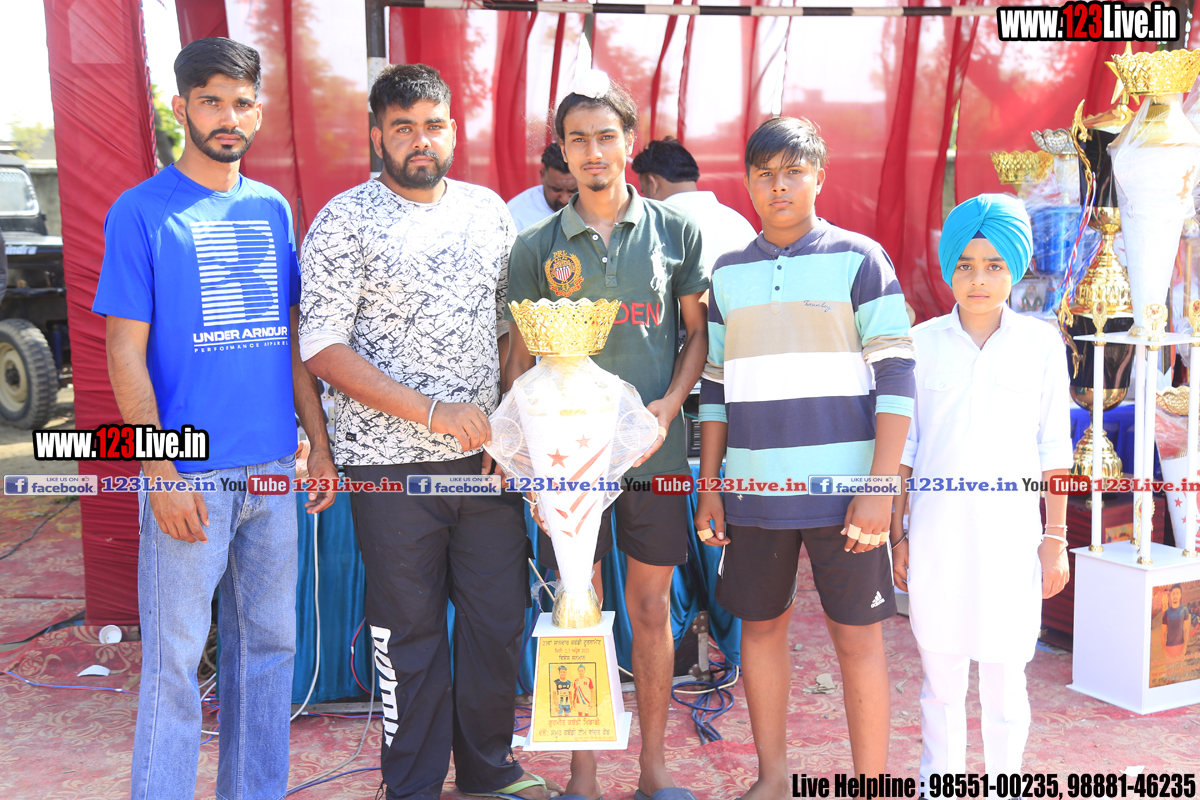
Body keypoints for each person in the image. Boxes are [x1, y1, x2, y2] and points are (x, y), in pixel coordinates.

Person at [298, 64, 556, 800]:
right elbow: (321, 346)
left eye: (433, 125)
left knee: (497, 622)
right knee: (404, 632)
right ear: (376, 135)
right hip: (389, 469)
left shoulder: (487, 212)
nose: (420, 140)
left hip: (484, 466)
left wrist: (512, 429)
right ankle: (410, 784)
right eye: (403, 127)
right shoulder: (343, 220)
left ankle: (488, 771)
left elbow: (513, 330)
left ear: (453, 131)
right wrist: (433, 411)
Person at [93, 37, 336, 800]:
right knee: (173, 663)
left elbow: (290, 337)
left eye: (241, 103)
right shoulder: (140, 212)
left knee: (268, 651)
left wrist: (316, 440)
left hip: (272, 470)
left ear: (258, 112)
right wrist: (158, 468)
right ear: (181, 108)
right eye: (211, 102)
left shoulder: (271, 209)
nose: (228, 118)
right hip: (190, 474)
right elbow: (124, 351)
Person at [694, 116, 913, 799]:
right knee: (760, 631)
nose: (778, 186)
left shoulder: (861, 259)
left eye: (793, 171)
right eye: (764, 174)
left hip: (849, 495)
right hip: (754, 492)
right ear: (748, 182)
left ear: (819, 176)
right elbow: (715, 389)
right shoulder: (727, 273)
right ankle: (773, 778)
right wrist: (710, 486)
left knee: (858, 638)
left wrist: (881, 486)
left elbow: (897, 374)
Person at [504, 70, 708, 800]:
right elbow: (520, 360)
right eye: (578, 139)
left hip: (655, 452)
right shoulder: (535, 246)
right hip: (569, 461)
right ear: (561, 150)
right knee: (575, 608)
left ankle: (654, 771)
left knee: (652, 610)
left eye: (605, 137)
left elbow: (696, 336)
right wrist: (528, 463)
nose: (593, 152)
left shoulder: (676, 231)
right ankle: (582, 774)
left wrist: (668, 406)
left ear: (629, 142)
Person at [889, 193, 1072, 784]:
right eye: (966, 265)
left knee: (1005, 678)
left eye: (994, 265)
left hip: (1012, 540)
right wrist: (899, 535)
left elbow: (1055, 450)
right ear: (949, 268)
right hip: (936, 536)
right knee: (940, 681)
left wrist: (1055, 538)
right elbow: (906, 452)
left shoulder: (1041, 345)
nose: (978, 280)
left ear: (1015, 269)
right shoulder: (921, 343)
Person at [631, 137, 757, 276]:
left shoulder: (653, 229)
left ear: (653, 183)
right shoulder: (740, 223)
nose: (645, 198)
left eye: (644, 191)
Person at [507, 142, 578, 232]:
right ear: (542, 175)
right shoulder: (516, 214)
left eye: (573, 190)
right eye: (556, 189)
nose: (564, 199)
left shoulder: (593, 206)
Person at [1163, 584, 1191, 659]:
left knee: (1180, 666)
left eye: (1177, 593)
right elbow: (1163, 633)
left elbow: (1186, 630)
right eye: (1173, 593)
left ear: (1180, 595)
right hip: (1169, 647)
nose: (1175, 596)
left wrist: (1185, 648)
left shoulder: (1184, 610)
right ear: (1170, 595)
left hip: (1180, 646)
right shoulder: (1166, 613)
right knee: (1170, 666)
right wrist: (1164, 651)